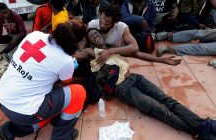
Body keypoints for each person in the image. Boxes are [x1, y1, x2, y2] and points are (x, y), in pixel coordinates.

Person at [78, 28, 216, 140]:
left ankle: (204, 127)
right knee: (160, 110)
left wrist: (162, 61)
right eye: (91, 36)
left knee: (168, 101)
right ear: (89, 42)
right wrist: (81, 44)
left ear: (102, 34)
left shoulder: (113, 47)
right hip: (123, 87)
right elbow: (78, 55)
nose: (95, 35)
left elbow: (138, 54)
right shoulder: (92, 52)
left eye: (96, 33)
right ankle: (204, 128)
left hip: (135, 78)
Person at [0, 19, 87, 140]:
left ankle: (9, 131)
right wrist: (71, 66)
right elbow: (66, 82)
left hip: (3, 99)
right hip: (24, 112)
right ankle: (62, 137)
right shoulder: (65, 61)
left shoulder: (34, 35)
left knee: (45, 103)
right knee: (78, 92)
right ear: (75, 43)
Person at [88, 4, 181, 66]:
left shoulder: (121, 27)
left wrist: (162, 60)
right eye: (101, 21)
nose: (102, 26)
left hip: (114, 63)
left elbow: (134, 48)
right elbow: (85, 47)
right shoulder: (92, 24)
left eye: (107, 24)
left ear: (114, 23)